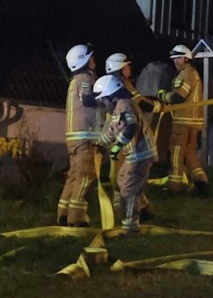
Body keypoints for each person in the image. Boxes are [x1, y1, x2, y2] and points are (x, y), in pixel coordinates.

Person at [95, 74, 153, 236]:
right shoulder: (119, 107)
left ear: (111, 96)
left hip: (140, 154)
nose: (102, 104)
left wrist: (116, 148)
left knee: (128, 188)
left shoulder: (125, 106)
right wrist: (100, 144)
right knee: (122, 181)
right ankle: (143, 213)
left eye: (103, 100)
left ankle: (131, 228)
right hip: (135, 154)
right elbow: (113, 131)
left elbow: (131, 127)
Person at [55, 44, 104, 227]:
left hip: (75, 137)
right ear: (84, 61)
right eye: (91, 57)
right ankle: (76, 219)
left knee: (74, 176)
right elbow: (88, 98)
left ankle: (63, 214)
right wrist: (106, 96)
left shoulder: (75, 80)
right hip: (85, 137)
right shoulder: (85, 78)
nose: (94, 60)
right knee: (85, 176)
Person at [155, 45, 209, 196]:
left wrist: (162, 95)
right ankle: (201, 181)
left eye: (178, 58)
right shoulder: (193, 73)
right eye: (174, 59)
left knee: (176, 152)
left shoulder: (186, 74)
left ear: (186, 58)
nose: (175, 62)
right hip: (194, 122)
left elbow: (178, 97)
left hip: (183, 121)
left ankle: (175, 186)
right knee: (190, 154)